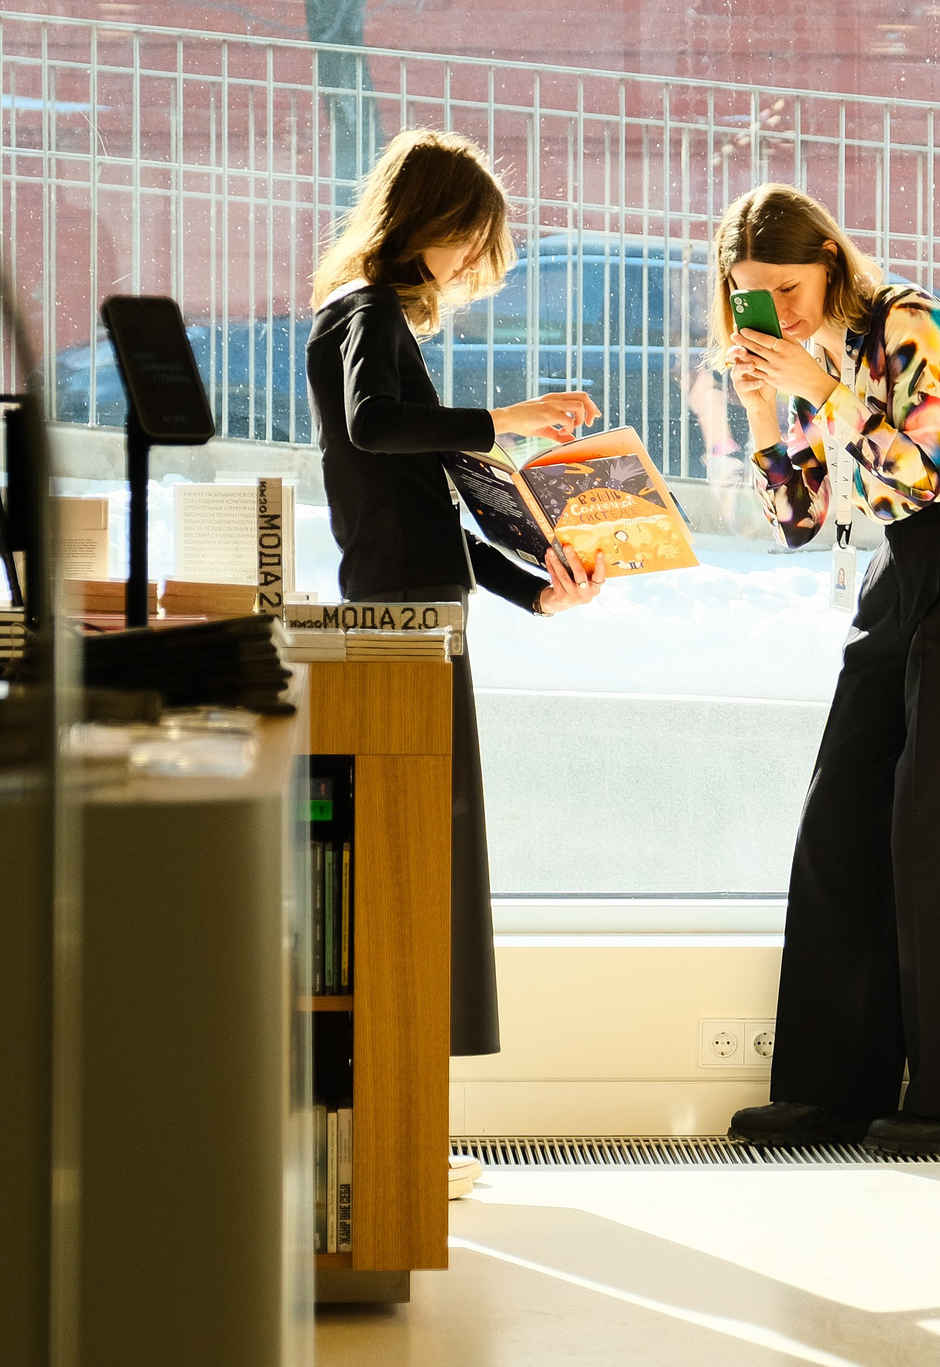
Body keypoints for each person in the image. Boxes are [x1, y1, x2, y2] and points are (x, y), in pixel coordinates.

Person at [716, 184, 940, 1158]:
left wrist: (822, 392)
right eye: (752, 298)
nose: (775, 314)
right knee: (843, 819)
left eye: (786, 289)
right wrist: (765, 412)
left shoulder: (911, 322)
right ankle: (831, 1090)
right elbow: (798, 519)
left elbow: (918, 466)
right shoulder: (814, 358)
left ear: (829, 257)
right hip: (901, 568)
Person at [305, 129, 606, 1057]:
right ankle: (402, 1092)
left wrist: (535, 592)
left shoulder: (362, 314)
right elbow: (376, 424)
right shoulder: (365, 313)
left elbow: (425, 517)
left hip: (415, 602)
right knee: (420, 854)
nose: (472, 259)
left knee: (421, 850)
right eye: (465, 235)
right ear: (420, 218)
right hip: (404, 619)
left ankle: (409, 1094)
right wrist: (501, 420)